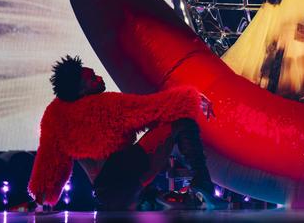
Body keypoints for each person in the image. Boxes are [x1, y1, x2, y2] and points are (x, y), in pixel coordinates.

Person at [28, 55, 226, 211]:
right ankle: (202, 182)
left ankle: (150, 197)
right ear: (81, 89)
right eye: (92, 78)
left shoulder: (54, 115)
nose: (99, 79)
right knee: (180, 119)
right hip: (127, 176)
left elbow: (50, 160)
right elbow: (155, 108)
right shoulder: (105, 104)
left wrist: (43, 198)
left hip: (105, 195)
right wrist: (192, 97)